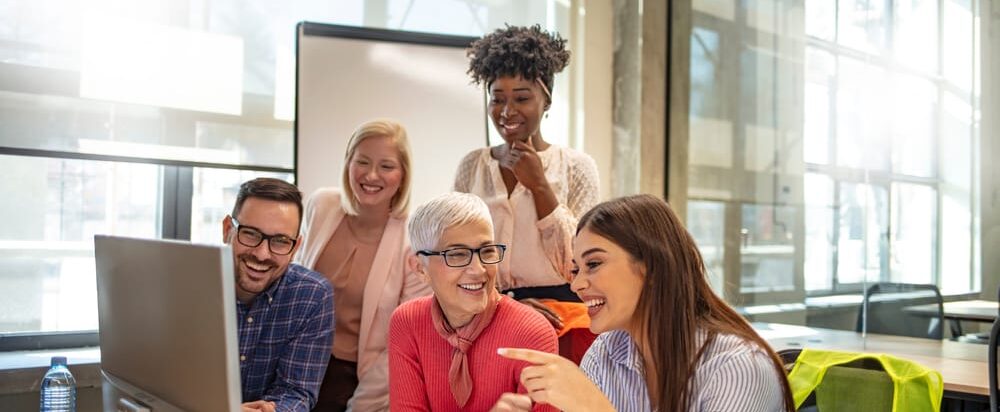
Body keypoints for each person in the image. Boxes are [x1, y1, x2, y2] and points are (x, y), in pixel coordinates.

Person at [494, 195, 796, 412]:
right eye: (576, 269)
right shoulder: (604, 355)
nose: (576, 284)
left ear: (651, 267)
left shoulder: (737, 367)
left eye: (594, 264)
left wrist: (593, 407)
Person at [456, 24, 600, 361]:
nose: (507, 112)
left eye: (521, 98)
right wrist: (509, 305)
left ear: (546, 99)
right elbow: (455, 251)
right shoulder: (473, 166)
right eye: (497, 99)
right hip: (486, 316)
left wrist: (538, 185)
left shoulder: (576, 167)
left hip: (563, 322)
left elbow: (580, 262)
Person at [295, 119, 431, 411]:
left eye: (386, 166)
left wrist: (362, 404)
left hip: (356, 376)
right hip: (298, 359)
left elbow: (404, 340)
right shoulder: (321, 205)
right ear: (348, 163)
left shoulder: (414, 239)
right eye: (363, 162)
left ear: (403, 174)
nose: (371, 175)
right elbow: (293, 286)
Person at [388, 192, 558, 411]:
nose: (478, 270)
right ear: (420, 268)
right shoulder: (407, 322)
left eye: (486, 251)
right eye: (457, 254)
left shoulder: (532, 332)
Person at [221, 178, 334, 412]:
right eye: (251, 234)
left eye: (281, 241)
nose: (262, 254)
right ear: (227, 230)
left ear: (296, 247)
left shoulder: (312, 296)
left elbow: (296, 391)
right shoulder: (186, 281)